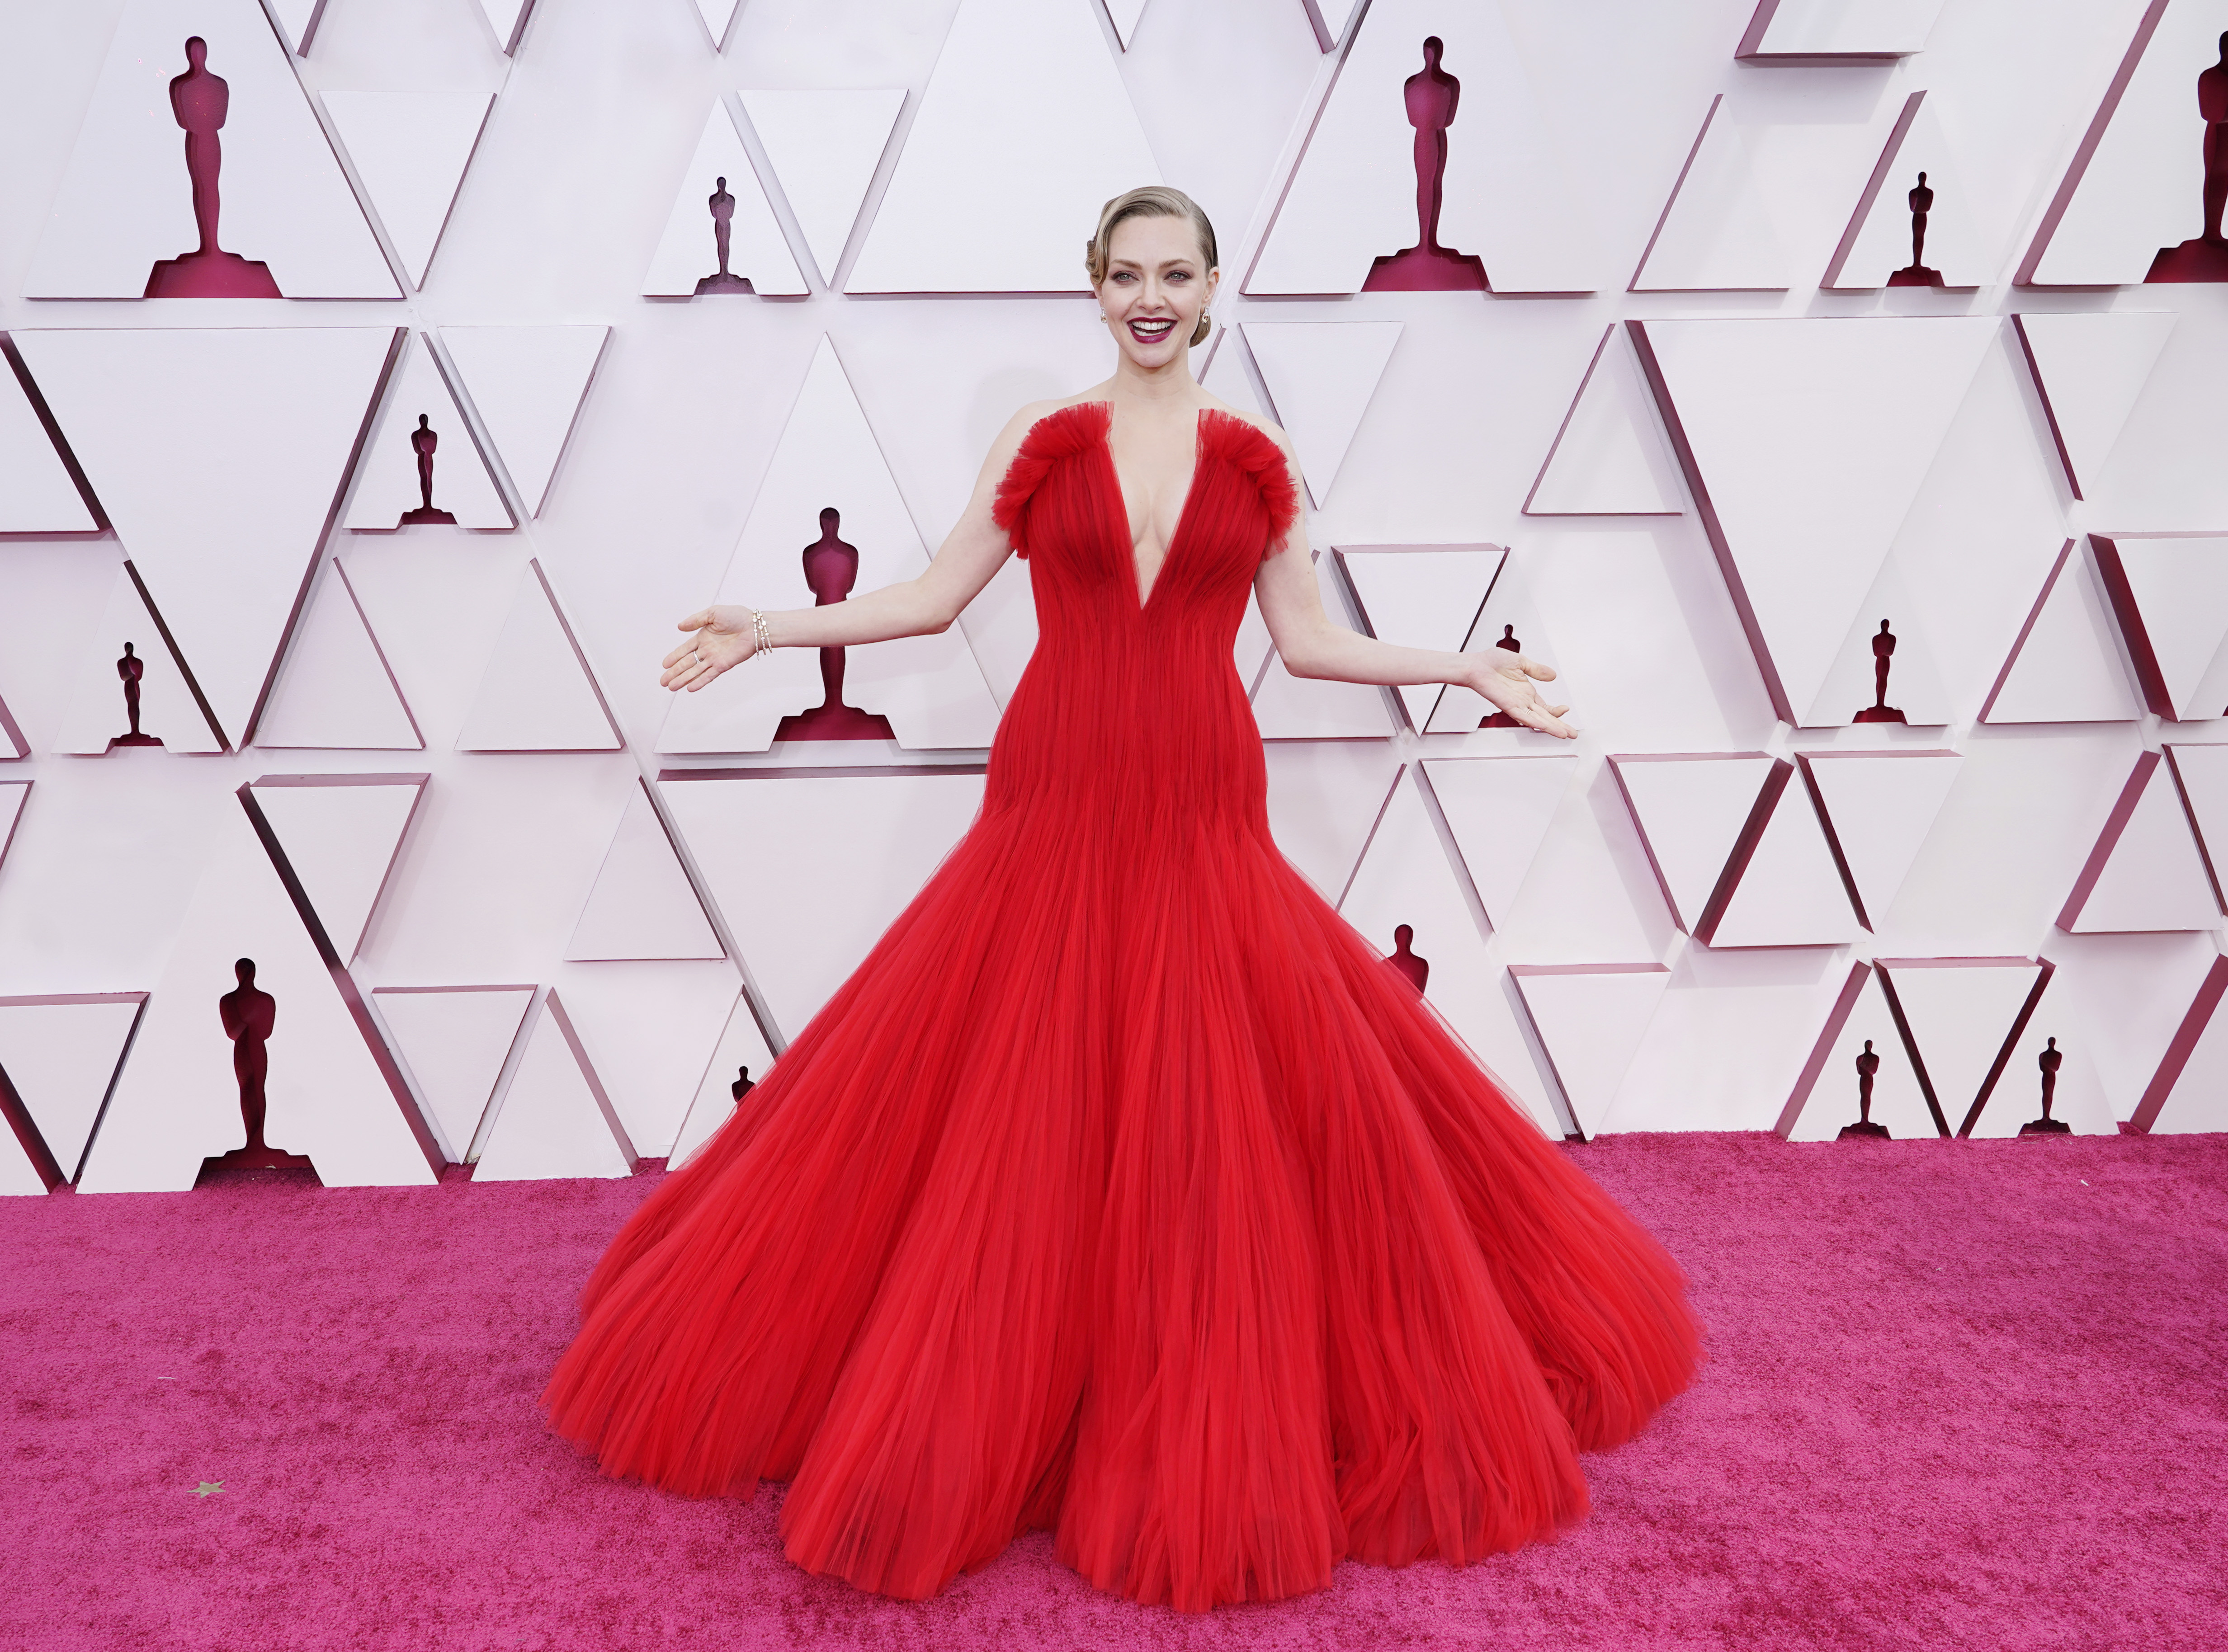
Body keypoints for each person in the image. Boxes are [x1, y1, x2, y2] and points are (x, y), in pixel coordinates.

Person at [542, 186, 1700, 1612]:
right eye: (1127, 274)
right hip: (1060, 790)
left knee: (1204, 1106)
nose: (1151, 296)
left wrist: (1465, 672)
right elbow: (927, 599)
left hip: (1205, 798)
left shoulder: (1259, 459)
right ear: (1094, 287)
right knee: (1028, 1103)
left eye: (1177, 273)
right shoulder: (1047, 446)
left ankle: (1173, 1390)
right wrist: (774, 627)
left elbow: (1310, 642)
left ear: (1214, 288)